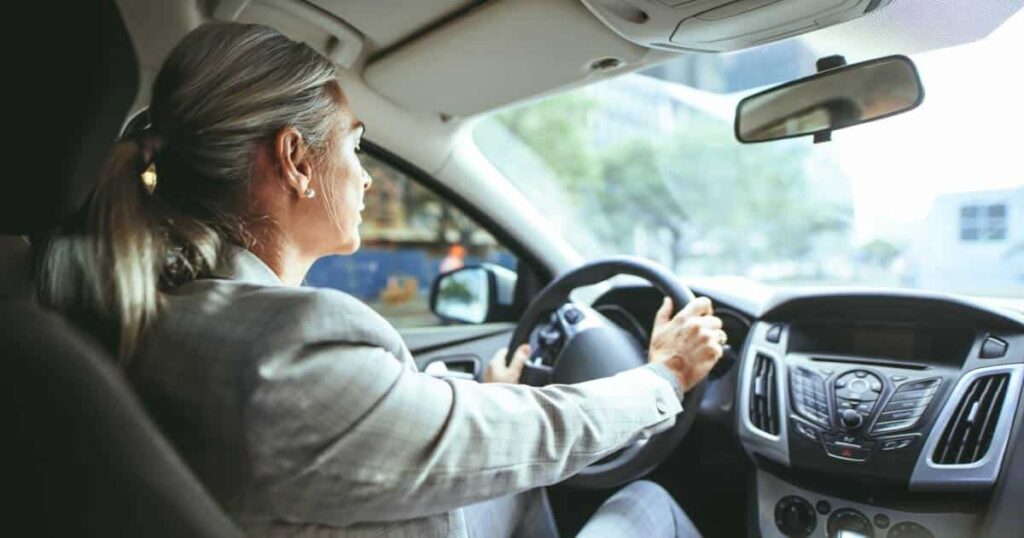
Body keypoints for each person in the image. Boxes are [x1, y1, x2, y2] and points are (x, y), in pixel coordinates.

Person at [35, 23, 725, 537]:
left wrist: (475, 394)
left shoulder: (160, 314)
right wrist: (663, 378)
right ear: (297, 162)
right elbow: (530, 435)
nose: (366, 177)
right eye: (355, 146)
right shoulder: (283, 348)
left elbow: (374, 418)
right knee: (650, 509)